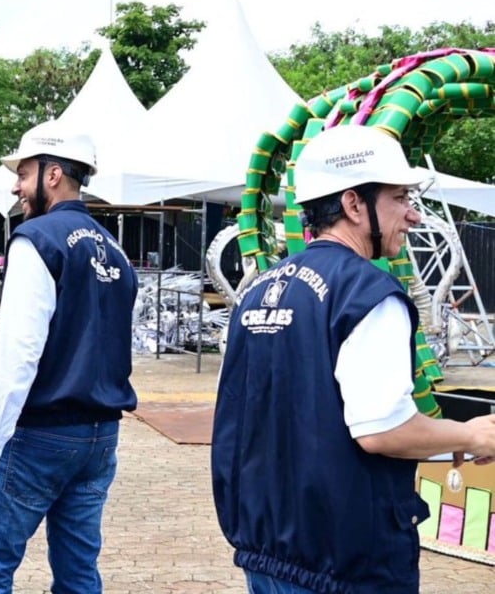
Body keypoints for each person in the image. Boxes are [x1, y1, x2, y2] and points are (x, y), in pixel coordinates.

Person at [211, 125, 495, 593]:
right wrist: (471, 434)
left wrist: (448, 443)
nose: (413, 215)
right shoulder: (368, 294)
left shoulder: (258, 291)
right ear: (353, 204)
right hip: (345, 561)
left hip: (266, 549)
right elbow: (383, 430)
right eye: (400, 197)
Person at [0, 122, 137, 593]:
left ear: (52, 174)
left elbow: (17, 353)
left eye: (23, 174)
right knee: (79, 575)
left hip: (41, 436)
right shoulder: (116, 252)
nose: (16, 186)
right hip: (100, 436)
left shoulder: (36, 239)